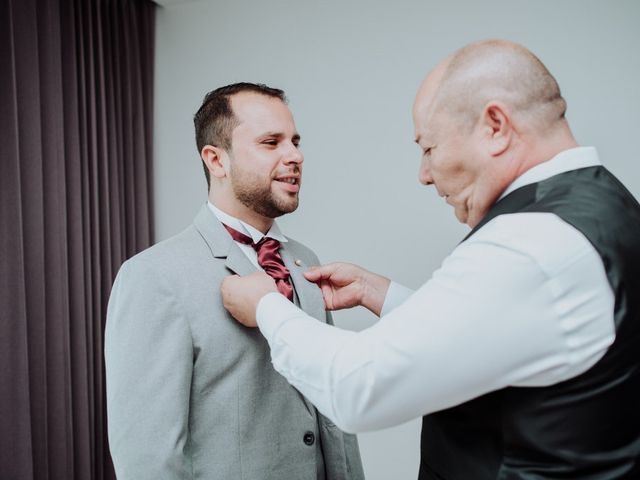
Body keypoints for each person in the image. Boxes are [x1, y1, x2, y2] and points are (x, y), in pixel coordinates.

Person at [221, 42, 640, 479]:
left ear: (495, 126)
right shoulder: (604, 208)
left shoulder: (531, 241)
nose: (424, 174)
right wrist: (380, 294)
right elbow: (508, 331)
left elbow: (358, 387)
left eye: (428, 147)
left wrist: (267, 306)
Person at [105, 82, 364, 480]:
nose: (295, 155)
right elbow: (147, 458)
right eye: (270, 142)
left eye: (295, 141)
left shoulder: (304, 262)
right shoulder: (152, 277)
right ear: (216, 160)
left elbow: (330, 412)